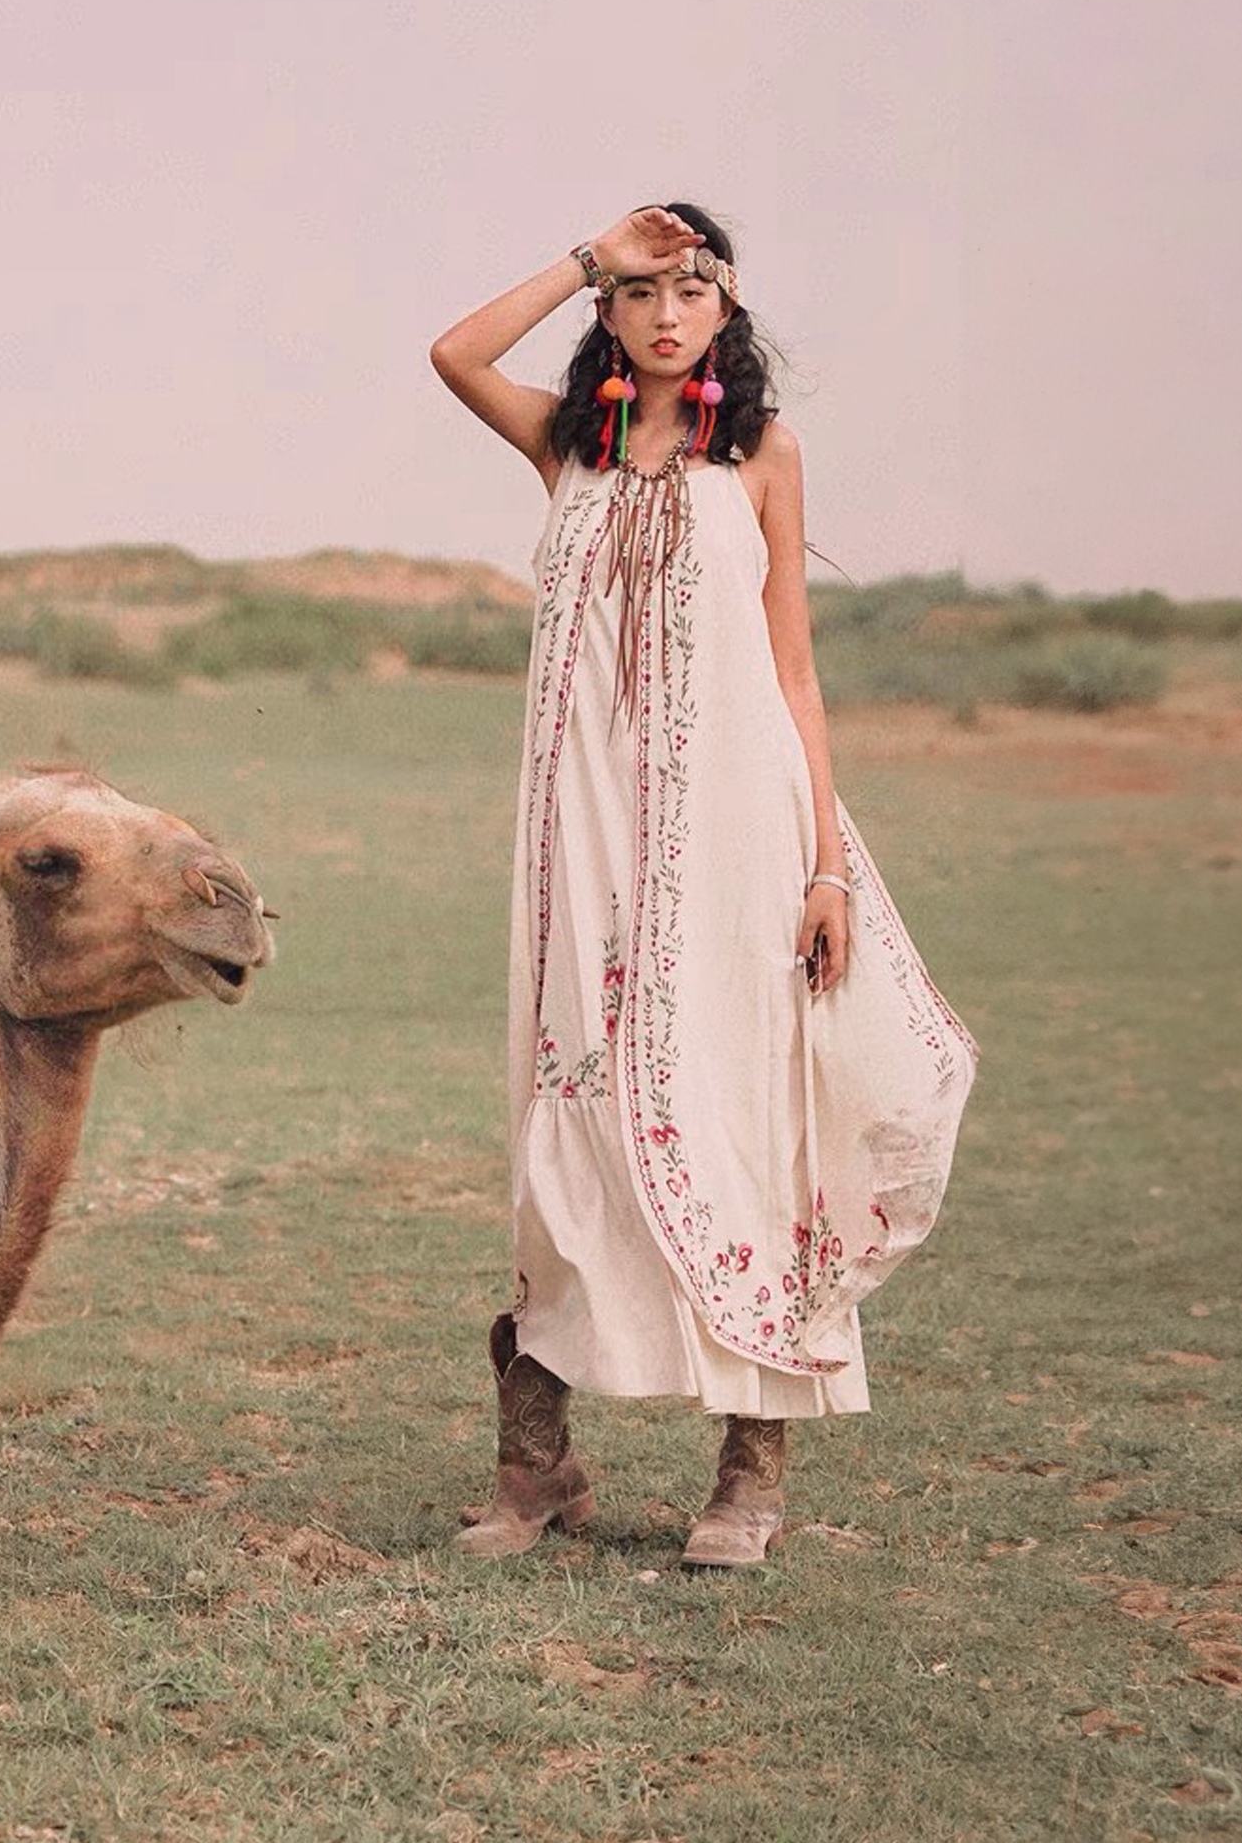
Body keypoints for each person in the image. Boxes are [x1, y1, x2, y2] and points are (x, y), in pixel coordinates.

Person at [429, 203, 978, 1567]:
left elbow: (794, 669)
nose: (665, 315)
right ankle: (537, 1465)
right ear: (607, 314)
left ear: (725, 311)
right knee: (575, 1118)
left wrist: (825, 864)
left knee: (741, 1119)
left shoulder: (764, 456)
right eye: (638, 292)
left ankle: (750, 1473)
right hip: (583, 848)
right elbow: (453, 352)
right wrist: (582, 256)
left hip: (737, 843)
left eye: (689, 291)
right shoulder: (570, 447)